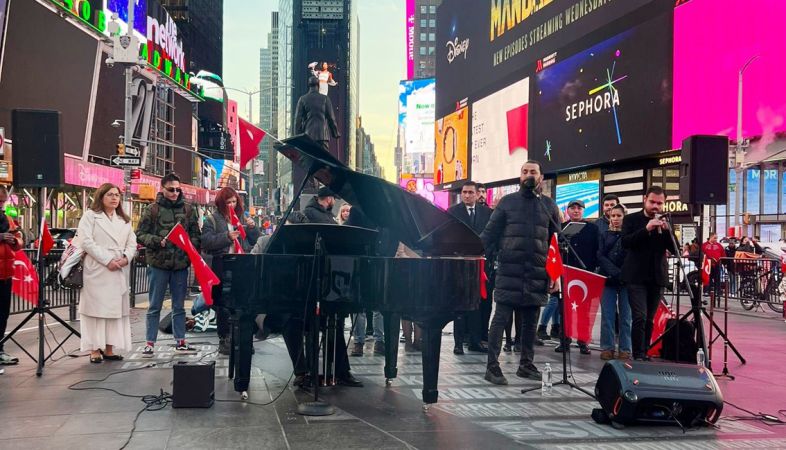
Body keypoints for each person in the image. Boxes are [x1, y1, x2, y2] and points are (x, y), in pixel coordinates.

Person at [481, 161, 561, 385]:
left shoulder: (549, 206)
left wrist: (556, 274)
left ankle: (526, 365)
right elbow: (488, 235)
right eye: (524, 171)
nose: (528, 175)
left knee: (530, 322)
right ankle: (492, 367)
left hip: (537, 273)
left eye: (533, 172)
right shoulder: (507, 202)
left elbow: (555, 243)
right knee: (500, 319)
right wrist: (481, 259)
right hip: (509, 271)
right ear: (520, 176)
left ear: (541, 177)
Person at [301, 186, 362, 387]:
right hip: (320, 277)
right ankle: (315, 371)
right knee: (320, 327)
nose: (334, 203)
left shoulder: (320, 213)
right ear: (327, 199)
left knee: (332, 327)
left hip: (326, 275)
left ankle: (335, 371)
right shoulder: (315, 214)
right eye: (333, 200)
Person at [136, 173, 201, 357]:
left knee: (179, 306)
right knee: (154, 305)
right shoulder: (152, 210)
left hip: (180, 265)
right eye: (171, 189)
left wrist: (190, 246)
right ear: (162, 188)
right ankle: (150, 343)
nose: (174, 193)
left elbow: (196, 234)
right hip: (158, 264)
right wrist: (157, 241)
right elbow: (140, 233)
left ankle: (180, 340)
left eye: (178, 189)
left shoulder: (189, 210)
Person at [77, 183, 137, 363]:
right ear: (101, 197)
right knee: (95, 311)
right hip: (97, 269)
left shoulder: (124, 220)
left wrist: (126, 258)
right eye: (110, 194)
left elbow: (132, 243)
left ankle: (109, 348)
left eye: (117, 195)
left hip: (118, 268)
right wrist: (107, 260)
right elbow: (86, 242)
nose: (114, 198)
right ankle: (94, 349)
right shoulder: (90, 217)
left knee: (115, 311)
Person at [621, 185, 678, 361]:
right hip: (636, 276)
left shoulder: (666, 221)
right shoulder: (631, 219)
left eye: (660, 203)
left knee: (649, 319)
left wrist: (668, 232)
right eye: (652, 202)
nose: (656, 206)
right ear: (645, 199)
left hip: (656, 276)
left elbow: (675, 248)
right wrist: (647, 229)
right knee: (639, 316)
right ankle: (637, 354)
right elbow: (626, 242)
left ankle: (644, 351)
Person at [201, 187, 260, 355]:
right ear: (221, 203)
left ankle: (243, 337)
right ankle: (225, 338)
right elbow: (206, 242)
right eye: (228, 202)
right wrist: (227, 237)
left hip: (241, 263)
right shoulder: (211, 219)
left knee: (243, 303)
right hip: (222, 263)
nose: (231, 205)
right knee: (223, 304)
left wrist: (252, 227)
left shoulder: (242, 217)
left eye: (234, 202)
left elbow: (255, 239)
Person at [447, 181, 491, 354]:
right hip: (460, 265)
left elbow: (492, 236)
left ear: (477, 194)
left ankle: (475, 340)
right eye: (464, 192)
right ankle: (458, 343)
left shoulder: (487, 213)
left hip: (481, 265)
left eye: (470, 192)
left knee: (477, 304)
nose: (466, 195)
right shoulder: (452, 212)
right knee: (460, 305)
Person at [553, 199, 598, 355]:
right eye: (573, 208)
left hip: (585, 274)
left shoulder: (592, 228)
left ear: (583, 211)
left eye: (579, 208)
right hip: (566, 275)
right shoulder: (562, 229)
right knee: (564, 310)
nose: (576, 211)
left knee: (583, 312)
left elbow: (597, 251)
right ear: (568, 211)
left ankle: (583, 342)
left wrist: (594, 270)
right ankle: (564, 341)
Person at [597, 204, 631, 361]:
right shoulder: (604, 235)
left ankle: (625, 348)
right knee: (607, 316)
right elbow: (600, 256)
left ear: (625, 216)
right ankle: (607, 347)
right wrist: (614, 272)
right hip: (608, 280)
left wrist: (623, 273)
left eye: (619, 215)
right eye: (613, 216)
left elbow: (631, 256)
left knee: (626, 316)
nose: (616, 219)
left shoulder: (629, 235)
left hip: (626, 280)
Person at [0, 186, 23, 365]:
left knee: (3, 314)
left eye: (3, 200)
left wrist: (14, 240)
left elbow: (19, 241)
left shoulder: (7, 218)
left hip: (6, 274)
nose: (1, 203)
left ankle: (0, 350)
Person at [294, 76, 340, 150]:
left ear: (309, 85)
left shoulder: (302, 99)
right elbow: (331, 118)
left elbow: (297, 120)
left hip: (308, 136)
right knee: (324, 159)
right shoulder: (325, 99)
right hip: (323, 137)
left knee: (310, 159)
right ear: (318, 85)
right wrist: (335, 133)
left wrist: (298, 137)